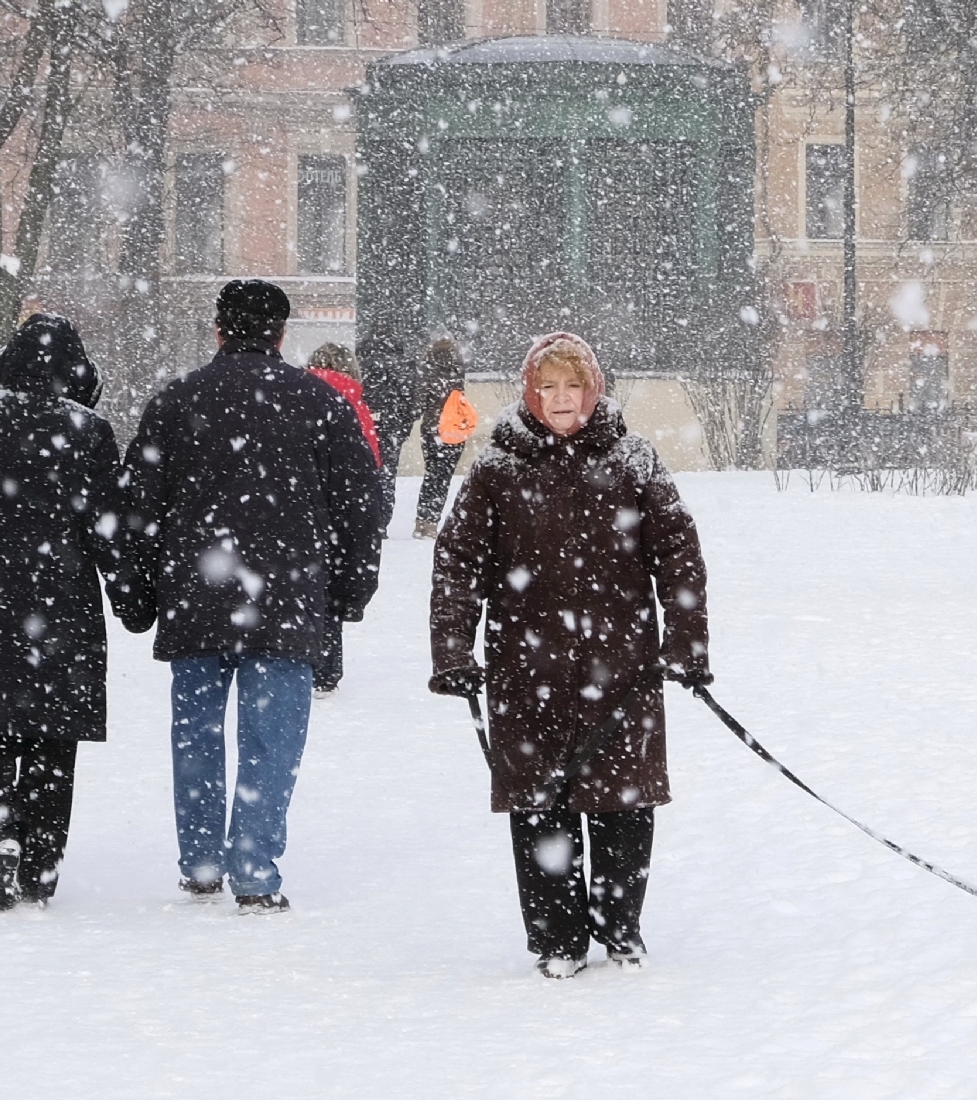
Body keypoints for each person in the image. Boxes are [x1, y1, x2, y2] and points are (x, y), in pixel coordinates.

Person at [429, 331, 712, 978]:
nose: (562, 399)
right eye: (548, 386)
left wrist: (687, 643)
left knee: (623, 803)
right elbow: (458, 564)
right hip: (527, 672)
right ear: (530, 393)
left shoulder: (633, 460)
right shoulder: (497, 470)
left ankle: (620, 929)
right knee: (541, 807)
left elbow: (679, 557)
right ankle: (558, 940)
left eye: (573, 385)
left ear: (594, 389)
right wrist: (452, 650)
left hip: (624, 669)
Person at [123, 280, 382, 912]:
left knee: (197, 734)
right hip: (286, 596)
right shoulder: (317, 402)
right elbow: (361, 503)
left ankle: (202, 860)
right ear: (280, 333)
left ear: (218, 329)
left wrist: (136, 592)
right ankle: (255, 867)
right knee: (273, 736)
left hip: (196, 593)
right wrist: (350, 588)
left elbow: (136, 506)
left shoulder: (177, 401)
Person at [0, 314, 153, 911]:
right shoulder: (89, 431)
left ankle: (2, 835)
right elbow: (109, 531)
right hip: (63, 604)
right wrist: (132, 601)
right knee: (54, 737)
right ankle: (40, 868)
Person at [304, 341, 382, 697]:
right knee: (333, 586)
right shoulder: (355, 403)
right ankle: (326, 668)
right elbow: (371, 461)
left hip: (300, 503)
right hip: (343, 507)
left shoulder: (293, 395)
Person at [357, 327, 416, 538]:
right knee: (388, 473)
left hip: (365, 426)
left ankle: (366, 517)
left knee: (364, 470)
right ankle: (382, 520)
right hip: (393, 426)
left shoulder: (361, 363)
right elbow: (411, 400)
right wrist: (403, 426)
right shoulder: (403, 365)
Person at [412, 336, 467, 539]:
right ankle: (432, 521)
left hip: (431, 429)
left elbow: (420, 402)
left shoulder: (427, 370)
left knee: (431, 474)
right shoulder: (457, 370)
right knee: (443, 477)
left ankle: (421, 520)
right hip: (452, 429)